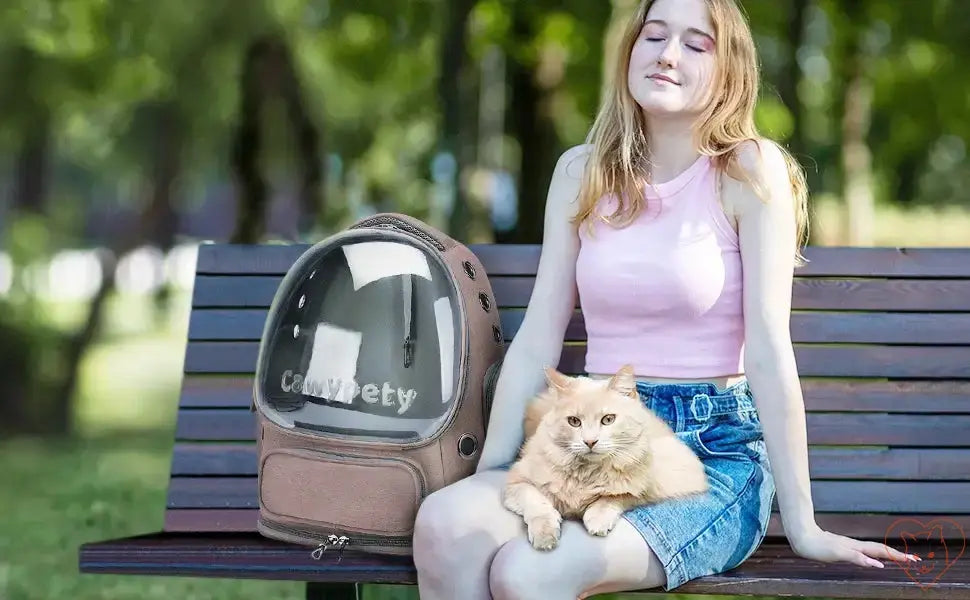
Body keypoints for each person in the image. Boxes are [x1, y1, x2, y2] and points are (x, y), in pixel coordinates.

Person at [411, 0, 920, 598]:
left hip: (707, 457)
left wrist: (802, 526)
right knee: (444, 526)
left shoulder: (750, 172)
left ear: (729, 68)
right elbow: (538, 339)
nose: (668, 54)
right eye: (654, 36)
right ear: (630, 51)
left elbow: (768, 351)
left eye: (696, 44)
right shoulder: (582, 173)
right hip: (588, 435)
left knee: (527, 571)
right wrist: (498, 469)